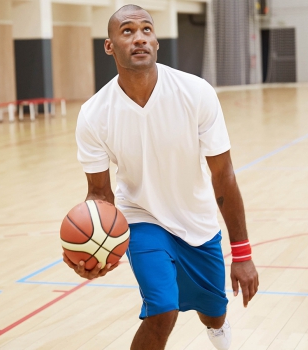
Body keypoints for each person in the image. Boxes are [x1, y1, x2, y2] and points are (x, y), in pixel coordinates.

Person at [63, 4, 259, 350]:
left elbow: (223, 176)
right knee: (162, 312)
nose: (139, 38)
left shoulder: (195, 92)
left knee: (213, 312)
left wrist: (242, 253)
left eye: (146, 30)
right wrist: (94, 245)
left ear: (156, 42)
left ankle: (218, 330)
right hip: (142, 218)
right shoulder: (94, 114)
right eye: (127, 31)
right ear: (109, 45)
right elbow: (99, 194)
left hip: (197, 220)